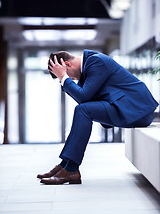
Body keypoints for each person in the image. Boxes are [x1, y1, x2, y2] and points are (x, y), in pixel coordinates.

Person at [37, 49, 159, 185]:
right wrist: (64, 78)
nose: (72, 80)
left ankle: (70, 169)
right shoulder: (89, 68)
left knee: (82, 110)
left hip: (137, 109)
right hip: (126, 107)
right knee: (82, 110)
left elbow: (83, 97)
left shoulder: (96, 61)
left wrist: (64, 78)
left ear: (67, 64)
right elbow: (83, 98)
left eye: (68, 75)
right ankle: (65, 165)